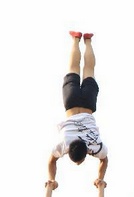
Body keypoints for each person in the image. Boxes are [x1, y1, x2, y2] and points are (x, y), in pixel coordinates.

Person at [48, 31, 108, 188]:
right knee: (73, 67)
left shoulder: (95, 146)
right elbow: (51, 160)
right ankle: (76, 39)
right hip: (71, 102)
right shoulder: (63, 144)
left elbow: (104, 159)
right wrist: (51, 179)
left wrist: (100, 177)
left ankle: (87, 40)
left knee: (89, 69)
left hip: (88, 104)